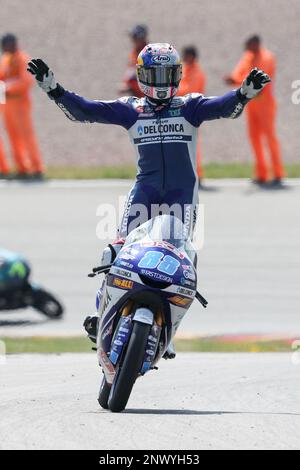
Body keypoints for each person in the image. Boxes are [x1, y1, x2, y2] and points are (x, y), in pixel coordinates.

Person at [28, 43, 271, 355]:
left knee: (186, 263)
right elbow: (85, 111)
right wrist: (53, 88)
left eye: (166, 74)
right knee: (113, 251)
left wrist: (244, 94)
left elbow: (222, 107)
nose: (160, 82)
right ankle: (100, 312)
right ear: (142, 76)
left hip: (181, 199)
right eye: (153, 75)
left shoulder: (189, 106)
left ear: (177, 75)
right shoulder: (131, 109)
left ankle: (167, 336)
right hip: (145, 193)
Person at [224, 35, 284, 187]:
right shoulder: (248, 56)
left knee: (270, 138)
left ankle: (277, 173)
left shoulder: (267, 57)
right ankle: (262, 174)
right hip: (252, 103)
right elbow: (241, 73)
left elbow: (260, 79)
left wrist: (237, 80)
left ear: (256, 44)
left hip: (265, 103)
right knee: (254, 138)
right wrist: (233, 78)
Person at [0, 34, 44, 179]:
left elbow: (25, 81)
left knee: (26, 136)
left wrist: (7, 87)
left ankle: (36, 168)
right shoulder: (6, 60)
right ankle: (22, 168)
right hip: (7, 104)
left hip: (20, 103)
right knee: (14, 137)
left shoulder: (23, 59)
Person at [177, 46, 206, 185]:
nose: (184, 58)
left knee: (191, 145)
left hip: (191, 112)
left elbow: (190, 91)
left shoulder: (197, 73)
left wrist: (173, 90)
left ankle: (197, 174)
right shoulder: (184, 69)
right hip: (181, 112)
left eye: (187, 56)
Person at [119, 24, 148, 97]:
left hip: (146, 94)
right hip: (136, 93)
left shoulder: (148, 52)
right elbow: (130, 69)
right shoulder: (134, 51)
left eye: (135, 37)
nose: (132, 40)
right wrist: (126, 83)